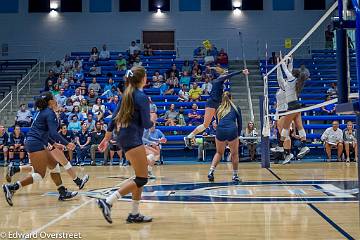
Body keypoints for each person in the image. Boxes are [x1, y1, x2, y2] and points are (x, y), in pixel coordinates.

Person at [96, 66, 155, 224]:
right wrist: (152, 120)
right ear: (143, 79)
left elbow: (113, 119)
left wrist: (106, 139)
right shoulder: (141, 97)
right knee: (142, 179)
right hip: (131, 138)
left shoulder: (126, 94)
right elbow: (146, 123)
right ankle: (108, 201)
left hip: (125, 137)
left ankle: (134, 214)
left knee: (139, 176)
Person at [2, 92, 77, 207]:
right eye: (54, 99)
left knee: (54, 165)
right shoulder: (49, 113)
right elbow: (52, 132)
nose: (56, 101)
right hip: (35, 143)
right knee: (39, 174)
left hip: (36, 141)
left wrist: (54, 144)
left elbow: (45, 132)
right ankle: (12, 187)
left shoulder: (42, 112)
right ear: (50, 102)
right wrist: (67, 144)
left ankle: (62, 192)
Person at [184, 67, 248, 147]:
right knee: (205, 125)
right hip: (211, 103)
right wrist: (241, 71)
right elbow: (230, 75)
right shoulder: (219, 80)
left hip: (217, 104)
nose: (226, 79)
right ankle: (190, 136)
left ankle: (226, 141)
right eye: (225, 77)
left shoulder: (220, 83)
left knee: (222, 123)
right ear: (223, 76)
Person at [273, 55, 310, 164]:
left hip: (289, 108)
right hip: (295, 107)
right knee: (299, 126)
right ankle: (304, 145)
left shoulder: (289, 82)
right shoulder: (294, 82)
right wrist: (287, 61)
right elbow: (284, 73)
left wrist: (281, 62)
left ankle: (282, 148)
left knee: (284, 130)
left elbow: (285, 71)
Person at [207, 92, 242, 182]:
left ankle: (211, 171)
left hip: (220, 130)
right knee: (234, 154)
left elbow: (218, 123)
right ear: (231, 98)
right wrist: (237, 135)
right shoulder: (236, 108)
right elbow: (240, 123)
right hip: (232, 130)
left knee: (218, 153)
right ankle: (235, 175)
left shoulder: (218, 108)